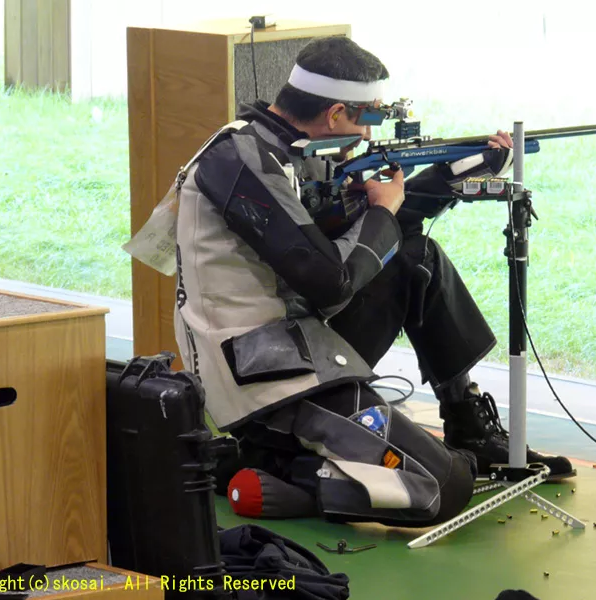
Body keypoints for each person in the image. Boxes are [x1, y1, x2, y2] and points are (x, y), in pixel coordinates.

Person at [173, 36, 574, 527]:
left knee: (416, 257)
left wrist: (455, 173)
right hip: (256, 369)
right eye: (367, 120)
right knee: (444, 486)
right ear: (336, 113)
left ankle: (467, 425)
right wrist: (382, 211)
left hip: (302, 337)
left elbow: (381, 231)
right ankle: (272, 463)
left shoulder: (297, 150)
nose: (367, 135)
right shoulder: (240, 162)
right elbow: (333, 281)